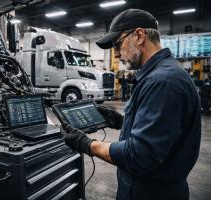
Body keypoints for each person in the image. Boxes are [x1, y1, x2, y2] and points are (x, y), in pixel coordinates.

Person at [61, 9, 201, 200]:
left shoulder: (162, 81)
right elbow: (163, 131)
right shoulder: (163, 74)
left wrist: (87, 144)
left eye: (117, 44)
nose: (116, 54)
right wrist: (121, 121)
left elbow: (139, 155)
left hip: (151, 193)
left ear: (139, 35)